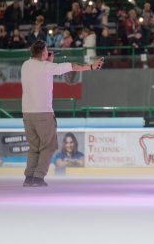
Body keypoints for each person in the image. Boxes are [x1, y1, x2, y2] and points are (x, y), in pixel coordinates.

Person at [20, 40, 103, 187]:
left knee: (34, 147)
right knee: (48, 147)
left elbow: (39, 72)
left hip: (27, 113)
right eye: (46, 50)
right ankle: (38, 178)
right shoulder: (46, 66)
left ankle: (29, 177)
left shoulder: (25, 65)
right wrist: (91, 66)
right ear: (43, 52)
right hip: (43, 114)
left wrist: (48, 61)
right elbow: (73, 66)